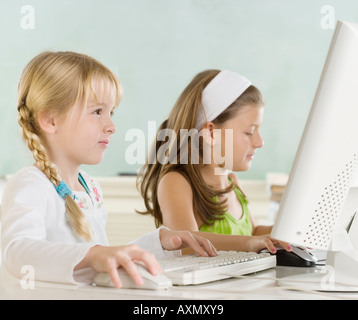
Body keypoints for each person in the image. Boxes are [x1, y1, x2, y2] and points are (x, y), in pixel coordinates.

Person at [0, 51, 217, 289]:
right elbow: (17, 252)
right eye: (97, 112)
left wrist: (159, 243)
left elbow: (103, 257)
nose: (112, 126)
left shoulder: (89, 186)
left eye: (111, 113)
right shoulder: (31, 184)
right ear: (50, 120)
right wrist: (94, 255)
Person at [138, 69, 291, 254]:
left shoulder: (231, 181)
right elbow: (186, 245)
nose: (260, 142)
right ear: (211, 132)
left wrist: (291, 230)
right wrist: (249, 243)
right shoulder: (176, 182)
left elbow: (253, 232)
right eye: (249, 132)